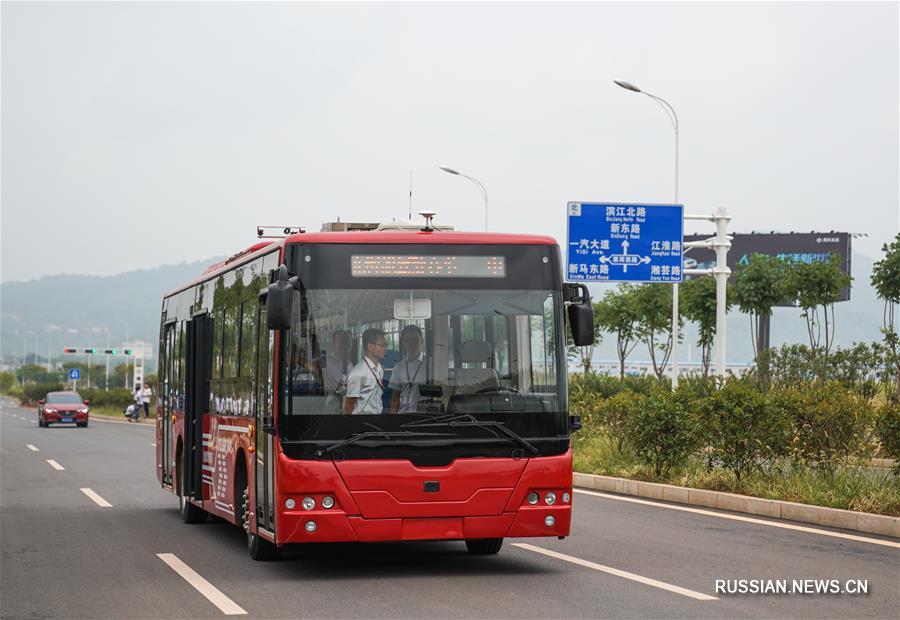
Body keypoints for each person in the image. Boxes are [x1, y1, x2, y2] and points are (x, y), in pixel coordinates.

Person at [343, 328, 387, 415]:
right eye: (382, 345)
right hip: (362, 422)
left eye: (386, 345)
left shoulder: (379, 368)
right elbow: (349, 405)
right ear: (370, 346)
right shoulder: (358, 373)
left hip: (377, 420)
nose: (385, 348)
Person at [390, 325, 427, 414]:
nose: (412, 343)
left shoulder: (430, 365)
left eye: (415, 339)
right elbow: (395, 398)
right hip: (402, 415)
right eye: (408, 340)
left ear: (422, 341)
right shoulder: (398, 367)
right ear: (403, 343)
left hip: (423, 416)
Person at [323, 330, 352, 413]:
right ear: (333, 344)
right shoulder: (325, 362)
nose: (345, 346)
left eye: (348, 342)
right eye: (341, 342)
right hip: (331, 407)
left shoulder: (350, 365)